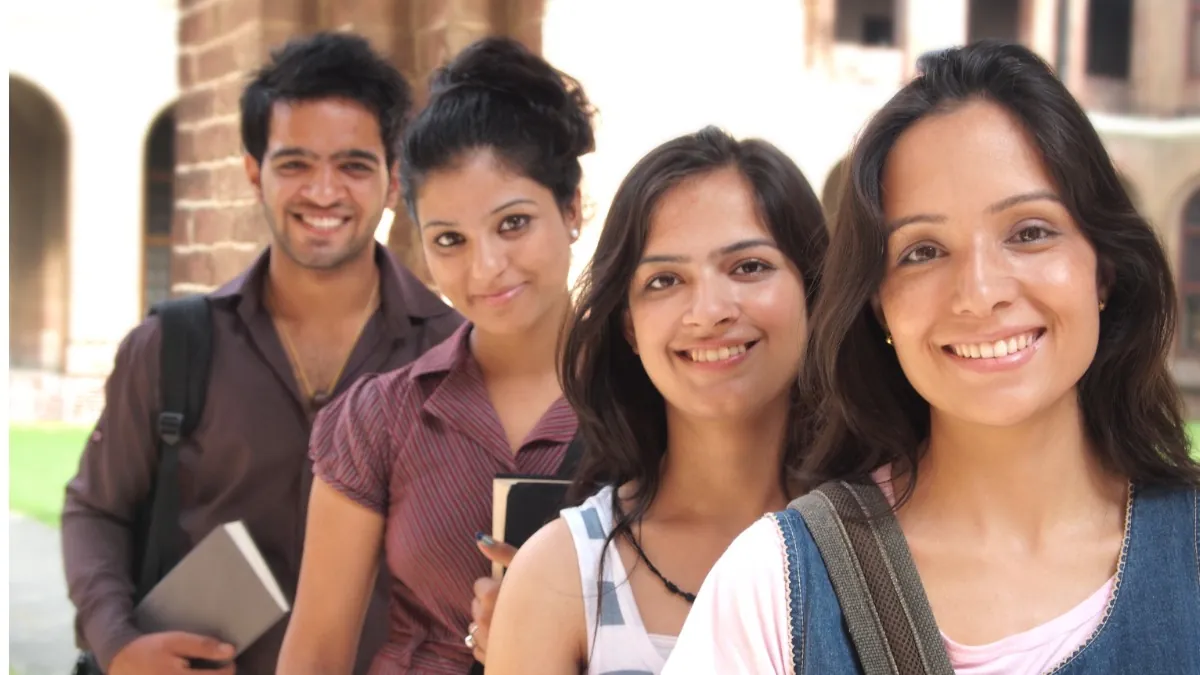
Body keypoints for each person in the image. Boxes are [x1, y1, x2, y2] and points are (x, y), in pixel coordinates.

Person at [661, 41, 1200, 674]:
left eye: (1029, 232)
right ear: (879, 305)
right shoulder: (773, 590)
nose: (979, 294)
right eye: (921, 251)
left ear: (1103, 269)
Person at [61, 32, 463, 675]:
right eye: (295, 163)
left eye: (354, 165)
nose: (324, 192)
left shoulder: (453, 355)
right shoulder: (172, 346)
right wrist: (118, 643)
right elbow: (96, 509)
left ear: (394, 182)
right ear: (255, 174)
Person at [275, 36, 595, 675]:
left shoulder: (652, 394)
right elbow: (314, 652)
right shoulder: (378, 418)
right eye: (450, 239)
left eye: (513, 224)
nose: (486, 268)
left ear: (571, 209)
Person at [480, 126, 830, 674]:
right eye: (665, 280)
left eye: (748, 267)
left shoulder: (895, 540)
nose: (709, 310)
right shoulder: (562, 575)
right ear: (628, 327)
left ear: (815, 291)